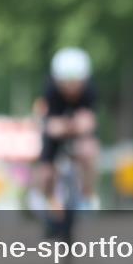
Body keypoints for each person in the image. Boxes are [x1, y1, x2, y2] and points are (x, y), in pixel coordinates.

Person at [33, 47, 101, 215]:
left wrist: (80, 126)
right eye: (66, 83)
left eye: (75, 83)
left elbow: (90, 120)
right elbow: (45, 119)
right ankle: (47, 198)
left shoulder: (90, 90)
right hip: (55, 129)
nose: (71, 88)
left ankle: (87, 194)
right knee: (46, 169)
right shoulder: (50, 89)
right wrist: (56, 126)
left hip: (78, 130)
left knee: (89, 151)